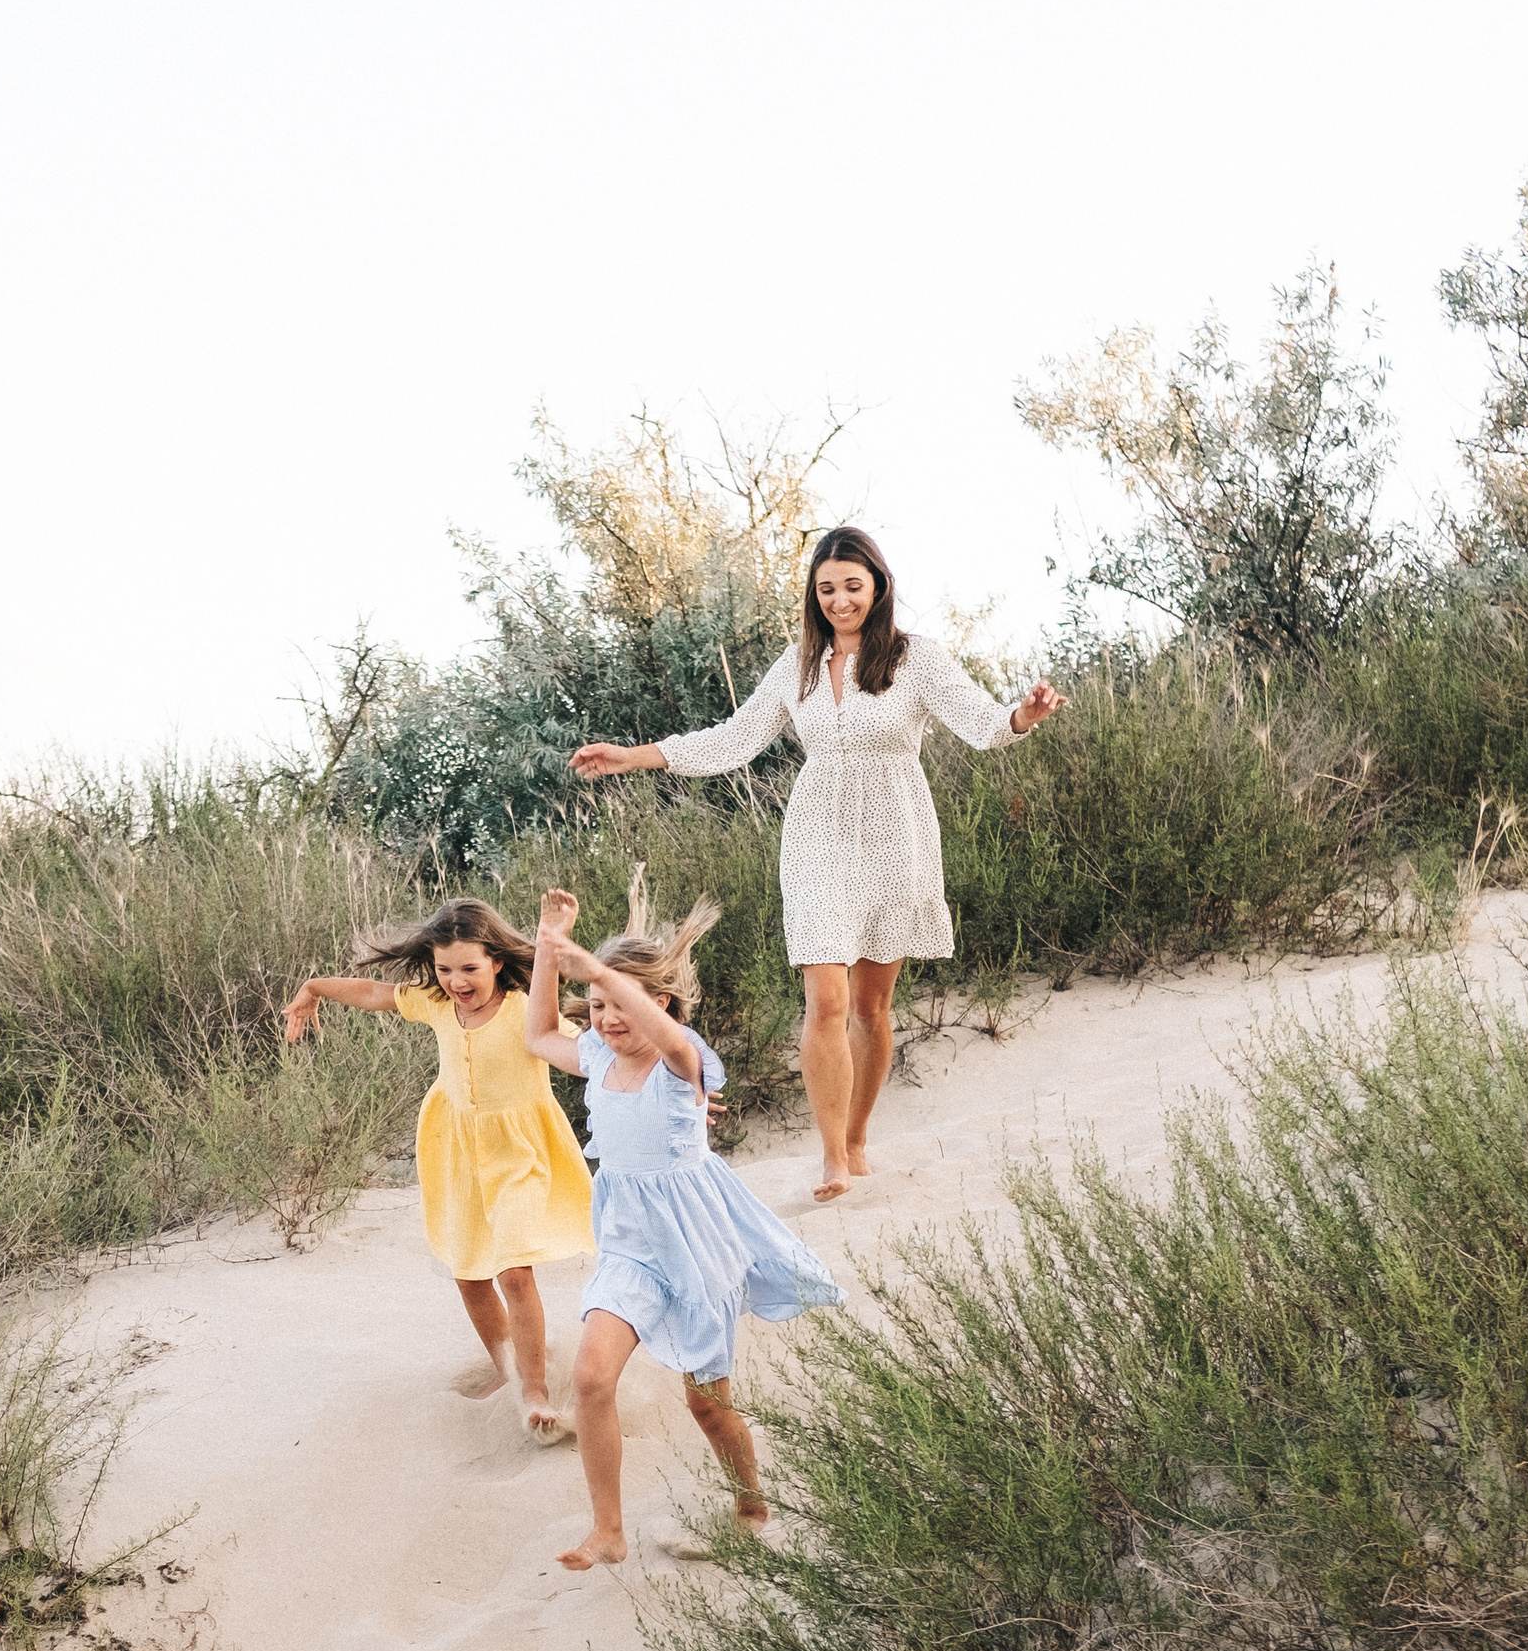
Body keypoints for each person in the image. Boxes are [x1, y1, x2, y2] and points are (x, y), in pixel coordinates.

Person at [570, 526, 1064, 1199]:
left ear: (878, 586)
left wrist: (1023, 716)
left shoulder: (917, 658)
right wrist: (635, 754)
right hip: (817, 833)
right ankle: (832, 1155)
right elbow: (733, 739)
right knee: (825, 998)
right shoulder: (798, 662)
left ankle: (859, 1136)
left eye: (852, 586)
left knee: (872, 1005)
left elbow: (980, 721)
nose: (839, 599)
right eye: (826, 588)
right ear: (815, 593)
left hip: (896, 830)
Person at [526, 882, 841, 1572]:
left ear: (660, 1002)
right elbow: (540, 1032)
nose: (605, 1018)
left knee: (706, 1405)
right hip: (631, 1247)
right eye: (599, 1006)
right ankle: (608, 1531)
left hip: (696, 1248)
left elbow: (665, 1034)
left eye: (619, 1005)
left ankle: (751, 1503)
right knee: (590, 1377)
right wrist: (550, 946)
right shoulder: (601, 1058)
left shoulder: (682, 1062)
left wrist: (601, 969)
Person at [282, 896, 592, 1438]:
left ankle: (536, 1393)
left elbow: (591, 1054)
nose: (455, 980)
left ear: (497, 960)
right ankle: (510, 1371)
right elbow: (377, 994)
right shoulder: (434, 1001)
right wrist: (314, 987)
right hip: (456, 1149)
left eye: (469, 968)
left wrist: (668, 1085)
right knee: (469, 1275)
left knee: (514, 1271)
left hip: (520, 1152)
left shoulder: (526, 1007)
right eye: (445, 969)